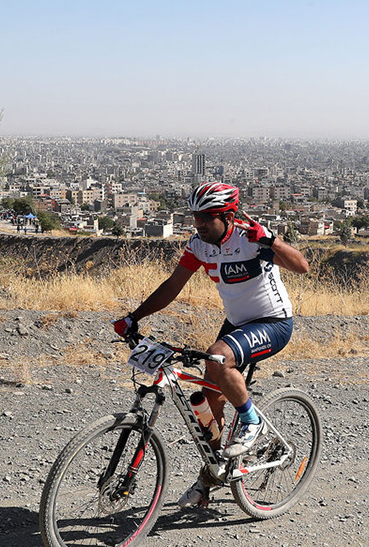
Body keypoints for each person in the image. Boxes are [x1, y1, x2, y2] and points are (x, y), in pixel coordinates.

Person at [112, 182, 310, 508]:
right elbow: (172, 286)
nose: (199, 223)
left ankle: (252, 421)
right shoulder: (199, 245)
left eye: (207, 217)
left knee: (219, 358)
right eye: (195, 217)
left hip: (273, 322)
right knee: (207, 402)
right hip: (237, 324)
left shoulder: (250, 239)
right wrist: (134, 317)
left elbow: (301, 266)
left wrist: (271, 240)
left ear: (227, 216)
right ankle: (212, 473)